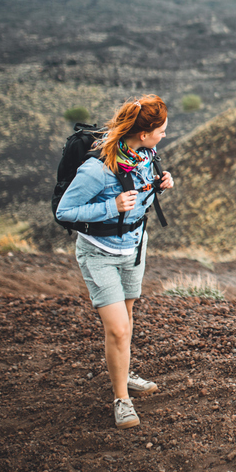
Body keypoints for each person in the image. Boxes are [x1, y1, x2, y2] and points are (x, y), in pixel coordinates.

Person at [56, 94, 176, 429]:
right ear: (143, 133)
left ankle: (124, 371)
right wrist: (113, 207)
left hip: (134, 248)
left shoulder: (145, 155)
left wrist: (160, 184)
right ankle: (121, 398)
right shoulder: (97, 169)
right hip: (99, 254)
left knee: (127, 318)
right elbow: (64, 212)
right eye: (161, 131)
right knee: (118, 328)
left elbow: (139, 196)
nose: (164, 135)